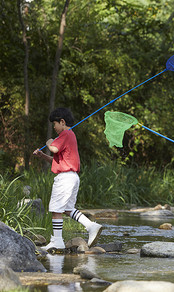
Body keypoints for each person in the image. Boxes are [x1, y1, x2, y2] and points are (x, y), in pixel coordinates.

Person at [33, 107, 102, 250]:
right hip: (71, 177)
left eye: (55, 124)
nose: (54, 127)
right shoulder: (70, 136)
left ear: (62, 122)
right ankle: (91, 226)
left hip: (65, 178)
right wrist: (42, 156)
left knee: (56, 209)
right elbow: (56, 159)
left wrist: (49, 142)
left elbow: (54, 149)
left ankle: (57, 241)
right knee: (67, 208)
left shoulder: (65, 134)